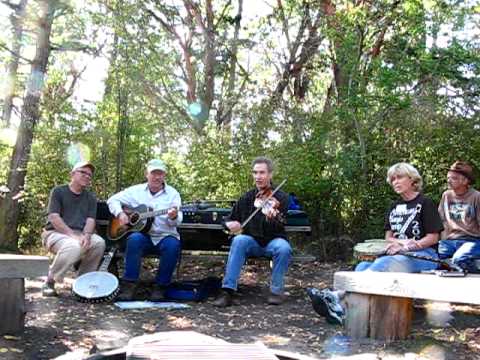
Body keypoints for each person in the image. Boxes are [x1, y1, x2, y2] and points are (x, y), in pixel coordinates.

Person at [309, 162, 444, 324]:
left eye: (399, 177)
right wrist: (400, 243)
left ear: (412, 179)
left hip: (425, 256)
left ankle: (336, 295)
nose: (395, 182)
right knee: (362, 267)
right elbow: (388, 237)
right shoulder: (394, 206)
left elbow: (433, 238)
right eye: (393, 179)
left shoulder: (425, 203)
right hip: (399, 255)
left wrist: (406, 246)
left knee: (384, 263)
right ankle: (343, 311)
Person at [213, 156, 292, 307]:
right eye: (255, 173)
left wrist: (274, 217)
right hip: (252, 242)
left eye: (262, 173)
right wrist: (230, 224)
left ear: (270, 174)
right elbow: (227, 219)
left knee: (284, 248)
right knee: (238, 240)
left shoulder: (281, 197)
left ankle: (276, 291)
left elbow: (281, 223)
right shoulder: (247, 197)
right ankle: (227, 291)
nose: (258, 177)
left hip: (273, 241)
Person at [107, 159, 182, 301]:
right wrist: (120, 214)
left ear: (164, 176)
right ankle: (129, 285)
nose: (157, 177)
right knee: (134, 239)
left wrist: (173, 216)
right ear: (146, 174)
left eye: (160, 174)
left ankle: (160, 287)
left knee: (173, 245)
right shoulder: (135, 191)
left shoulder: (173, 194)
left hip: (165, 235)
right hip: (143, 236)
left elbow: (176, 221)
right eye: (154, 173)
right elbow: (112, 200)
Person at [41, 161, 106, 297]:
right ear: (72, 174)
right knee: (74, 245)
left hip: (80, 234)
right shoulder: (58, 191)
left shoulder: (90, 197)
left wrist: (87, 235)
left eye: (89, 174)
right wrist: (73, 235)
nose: (87, 176)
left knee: (99, 243)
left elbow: (90, 220)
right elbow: (54, 217)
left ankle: (81, 284)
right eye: (83, 172)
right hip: (55, 234)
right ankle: (50, 281)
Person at [438, 161, 480, 273]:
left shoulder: (476, 196)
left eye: (454, 178)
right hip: (449, 241)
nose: (449, 180)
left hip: (472, 240)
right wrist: (442, 240)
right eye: (448, 178)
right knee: (432, 259)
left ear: (465, 181)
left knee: (459, 259)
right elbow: (441, 220)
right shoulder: (446, 195)